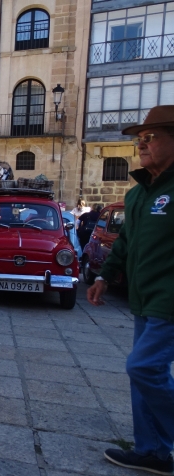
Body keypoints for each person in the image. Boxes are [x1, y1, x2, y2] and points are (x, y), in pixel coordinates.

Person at [87, 105, 174, 475]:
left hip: (169, 299)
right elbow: (123, 242)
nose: (141, 144)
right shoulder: (139, 194)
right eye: (139, 139)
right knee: (143, 375)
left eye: (150, 137)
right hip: (143, 298)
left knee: (143, 367)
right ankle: (152, 451)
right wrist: (105, 275)